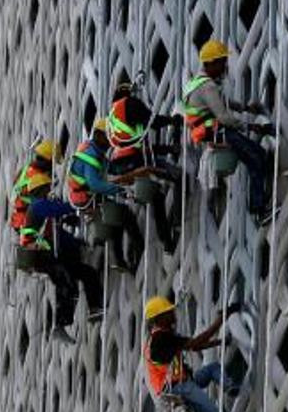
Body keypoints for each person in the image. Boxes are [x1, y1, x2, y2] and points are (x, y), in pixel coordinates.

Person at [142, 296, 242, 412]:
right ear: (159, 318)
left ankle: (229, 387)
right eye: (168, 312)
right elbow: (195, 343)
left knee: (212, 369)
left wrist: (219, 342)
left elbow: (194, 347)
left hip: (182, 382)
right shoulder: (161, 338)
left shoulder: (161, 337)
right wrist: (221, 319)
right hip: (177, 387)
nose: (173, 314)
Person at [181, 38, 276, 219]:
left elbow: (221, 102)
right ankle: (260, 209)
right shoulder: (208, 86)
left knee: (254, 158)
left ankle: (259, 204)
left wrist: (245, 108)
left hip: (212, 133)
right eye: (222, 62)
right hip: (220, 132)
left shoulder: (196, 83)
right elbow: (223, 116)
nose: (225, 66)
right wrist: (251, 126)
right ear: (212, 63)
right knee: (257, 157)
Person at [18, 173, 103, 344]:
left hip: (50, 255)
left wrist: (76, 243)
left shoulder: (46, 217)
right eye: (46, 188)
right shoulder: (38, 206)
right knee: (66, 283)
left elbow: (59, 235)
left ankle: (95, 308)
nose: (49, 190)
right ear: (40, 190)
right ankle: (59, 324)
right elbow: (59, 209)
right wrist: (78, 204)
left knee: (88, 273)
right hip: (42, 256)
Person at [107, 80, 183, 254]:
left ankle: (167, 243)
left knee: (156, 197)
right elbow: (153, 122)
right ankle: (177, 225)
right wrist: (173, 120)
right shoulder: (129, 104)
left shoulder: (111, 116)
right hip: (137, 160)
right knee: (179, 177)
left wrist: (168, 149)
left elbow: (137, 142)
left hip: (121, 164)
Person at [67, 118, 143, 273]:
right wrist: (119, 190)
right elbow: (95, 184)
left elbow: (109, 168)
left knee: (115, 219)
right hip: (88, 199)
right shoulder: (91, 156)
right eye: (109, 136)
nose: (111, 141)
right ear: (99, 135)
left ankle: (117, 259)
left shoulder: (94, 150)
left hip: (86, 196)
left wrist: (128, 170)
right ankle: (137, 249)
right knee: (124, 216)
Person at [10, 139, 62, 233]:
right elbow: (45, 206)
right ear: (48, 162)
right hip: (28, 224)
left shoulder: (26, 169)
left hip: (17, 219)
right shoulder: (39, 181)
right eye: (53, 163)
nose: (53, 167)